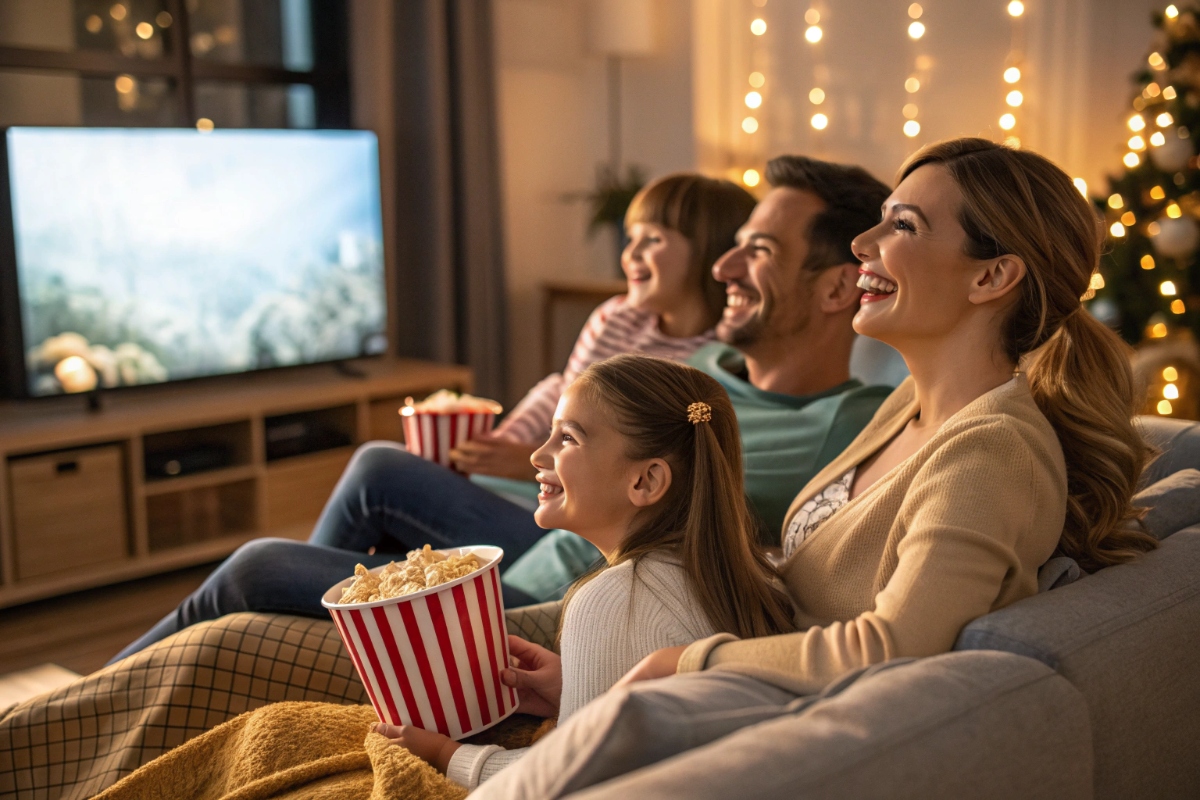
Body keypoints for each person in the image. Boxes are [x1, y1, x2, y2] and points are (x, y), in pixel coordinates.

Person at [470, 138, 1161, 799]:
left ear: (991, 276)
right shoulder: (911, 406)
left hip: (763, 740)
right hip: (719, 698)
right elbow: (791, 594)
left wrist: (682, 665)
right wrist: (593, 674)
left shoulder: (991, 452)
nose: (863, 243)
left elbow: (895, 645)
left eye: (903, 225)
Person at [109, 155, 894, 662]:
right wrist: (519, 462)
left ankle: (259, 649)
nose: (725, 266)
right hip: (551, 538)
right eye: (735, 243)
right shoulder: (706, 362)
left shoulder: (853, 424)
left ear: (838, 288)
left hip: (564, 598)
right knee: (381, 470)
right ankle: (324, 633)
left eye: (759, 250)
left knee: (258, 570)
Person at [360, 354, 793, 791]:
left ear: (645, 481)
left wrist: (445, 754)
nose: (537, 454)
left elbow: (565, 778)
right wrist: (576, 688)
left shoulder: (612, 599)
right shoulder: (750, 576)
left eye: (567, 438)